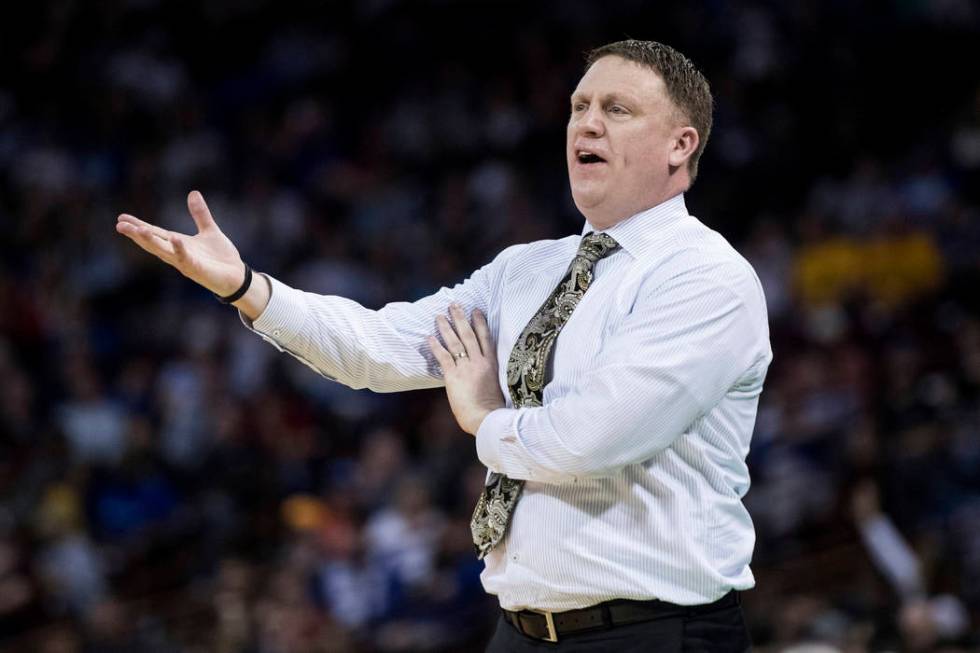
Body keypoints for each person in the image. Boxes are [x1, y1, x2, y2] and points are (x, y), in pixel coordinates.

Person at [116, 39, 769, 652]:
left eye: (616, 109)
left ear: (681, 145)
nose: (586, 124)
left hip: (654, 633)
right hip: (519, 630)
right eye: (578, 107)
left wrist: (484, 416)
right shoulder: (526, 270)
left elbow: (590, 440)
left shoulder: (706, 278)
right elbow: (377, 347)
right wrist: (248, 286)